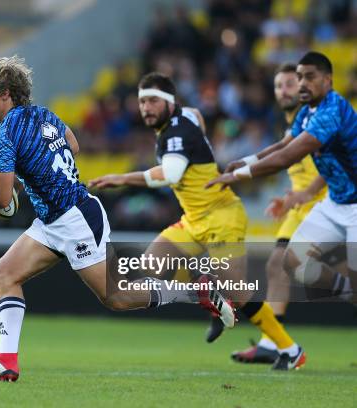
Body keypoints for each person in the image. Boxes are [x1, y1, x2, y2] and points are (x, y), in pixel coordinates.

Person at [0, 56, 235, 382]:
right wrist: (33, 171)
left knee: (116, 297)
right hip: (54, 220)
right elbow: (72, 145)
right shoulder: (44, 114)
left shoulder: (4, 136)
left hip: (75, 220)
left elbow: (4, 203)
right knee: (4, 274)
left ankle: (194, 292)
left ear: (5, 94)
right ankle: (7, 360)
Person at [89, 72, 305, 370]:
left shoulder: (175, 132)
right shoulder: (180, 120)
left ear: (170, 103)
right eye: (142, 102)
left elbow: (171, 175)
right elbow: (196, 114)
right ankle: (207, 296)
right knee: (150, 266)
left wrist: (122, 177)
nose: (146, 108)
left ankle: (290, 349)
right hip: (193, 219)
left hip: (221, 216)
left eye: (153, 101)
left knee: (239, 291)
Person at [208, 51, 356, 322]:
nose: (302, 84)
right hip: (336, 202)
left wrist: (240, 175)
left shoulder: (332, 111)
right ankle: (347, 288)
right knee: (292, 262)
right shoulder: (308, 111)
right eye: (299, 77)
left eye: (309, 77)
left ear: (328, 80)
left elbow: (288, 157)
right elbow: (285, 144)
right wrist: (245, 160)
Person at [223, 63, 327, 364]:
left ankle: (275, 341)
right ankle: (273, 341)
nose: (284, 90)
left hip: (327, 204)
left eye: (290, 84)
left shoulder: (319, 120)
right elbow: (283, 148)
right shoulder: (295, 125)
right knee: (276, 266)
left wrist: (245, 168)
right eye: (279, 85)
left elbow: (336, 165)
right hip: (300, 206)